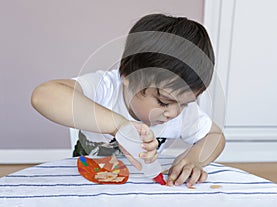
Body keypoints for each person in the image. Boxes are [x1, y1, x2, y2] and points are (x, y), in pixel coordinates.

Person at [31, 13, 225, 187]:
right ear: (128, 77)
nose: (174, 113)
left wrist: (194, 158)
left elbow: (215, 136)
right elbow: (43, 96)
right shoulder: (106, 88)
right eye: (164, 102)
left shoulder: (180, 114)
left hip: (138, 186)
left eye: (185, 103)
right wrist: (119, 125)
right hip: (87, 181)